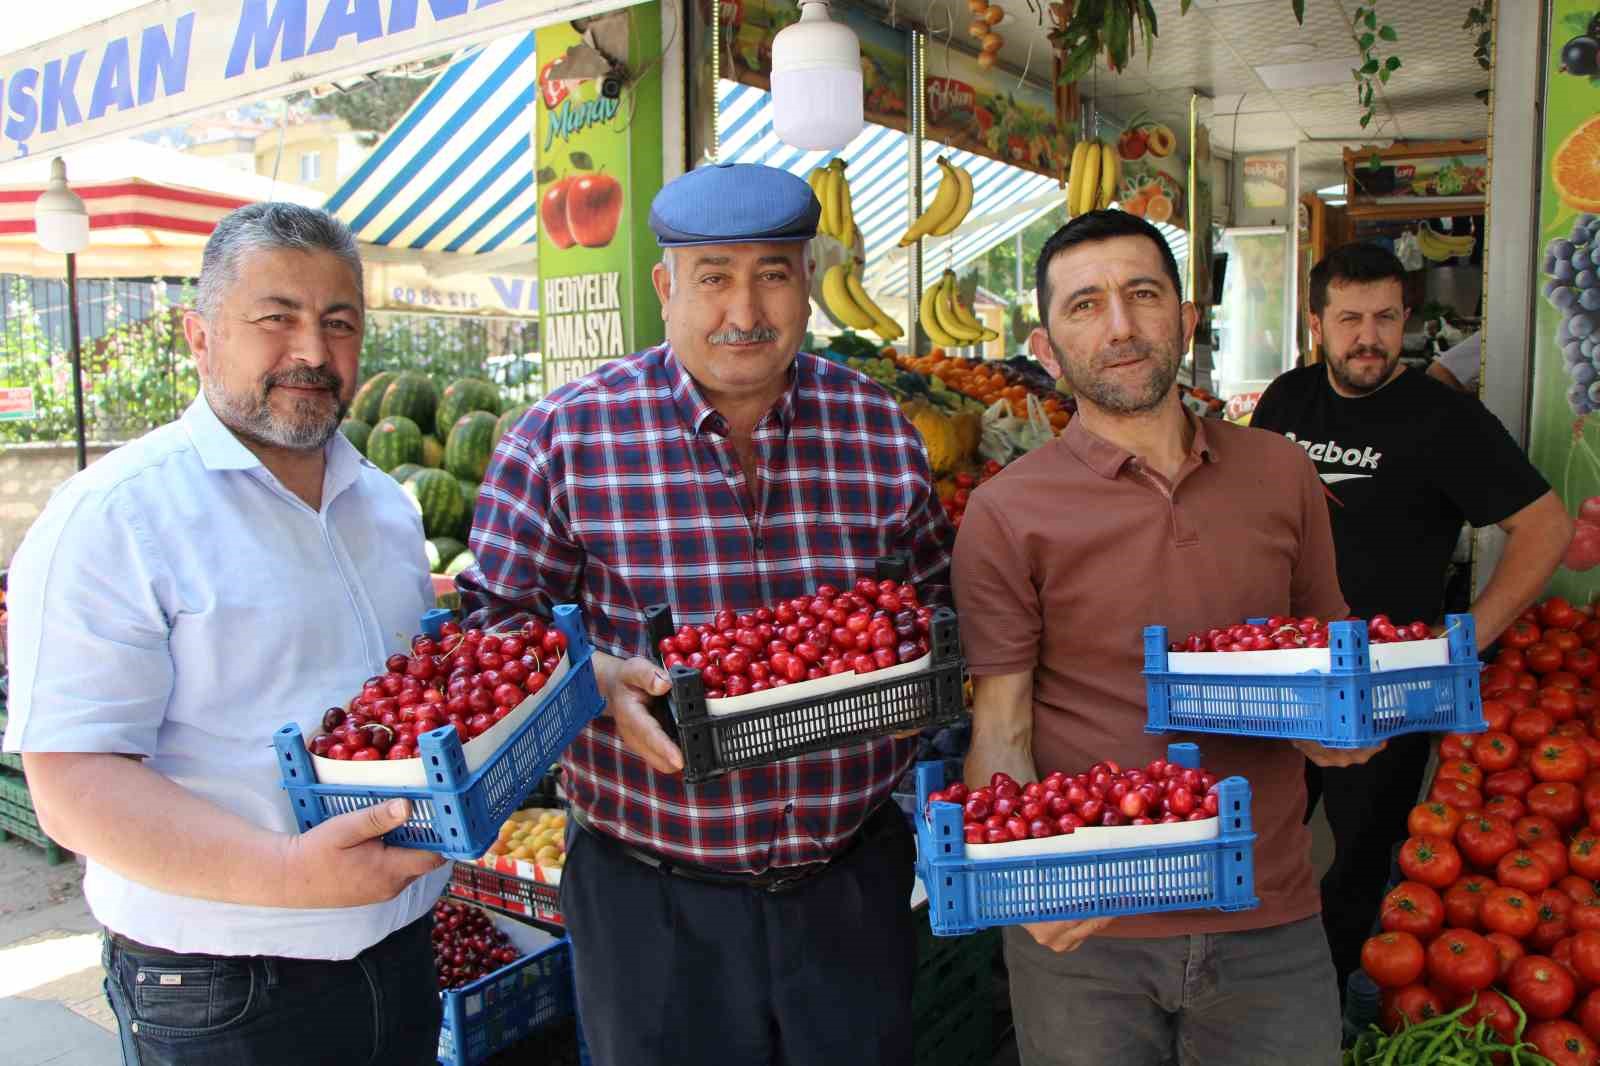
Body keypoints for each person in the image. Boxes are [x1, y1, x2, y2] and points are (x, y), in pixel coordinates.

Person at [458, 162, 952, 1066]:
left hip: (848, 887)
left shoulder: (882, 431)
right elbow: (489, 630)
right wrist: (589, 681)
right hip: (653, 905)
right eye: (714, 276)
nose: (745, 311)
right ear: (666, 286)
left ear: (809, 280)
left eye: (773, 273)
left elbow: (932, 605)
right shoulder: (566, 437)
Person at [3, 203, 449, 1066]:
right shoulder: (116, 517)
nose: (313, 352)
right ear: (200, 336)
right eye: (275, 318)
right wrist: (288, 875)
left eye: (339, 323)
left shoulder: (388, 508)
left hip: (398, 950)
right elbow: (72, 781)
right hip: (228, 987)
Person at [953, 209, 1372, 1065]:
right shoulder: (1006, 511)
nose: (1119, 326)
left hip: (1268, 909)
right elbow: (1002, 727)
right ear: (1046, 345)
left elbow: (1330, 654)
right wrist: (1027, 877)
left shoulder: (1279, 471)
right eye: (1085, 305)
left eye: (1143, 295)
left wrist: (1342, 725)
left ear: (1185, 319)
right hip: (1090, 931)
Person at [1249, 243, 1570, 998]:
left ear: (1406, 321)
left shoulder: (1446, 418)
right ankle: (1250, 985)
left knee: (1361, 857)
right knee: (1262, 837)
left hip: (1389, 688)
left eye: (1387, 318)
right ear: (1317, 321)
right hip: (1283, 674)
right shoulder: (1286, 399)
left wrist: (1462, 641)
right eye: (1351, 318)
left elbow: (1548, 528)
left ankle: (1325, 1003)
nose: (1370, 337)